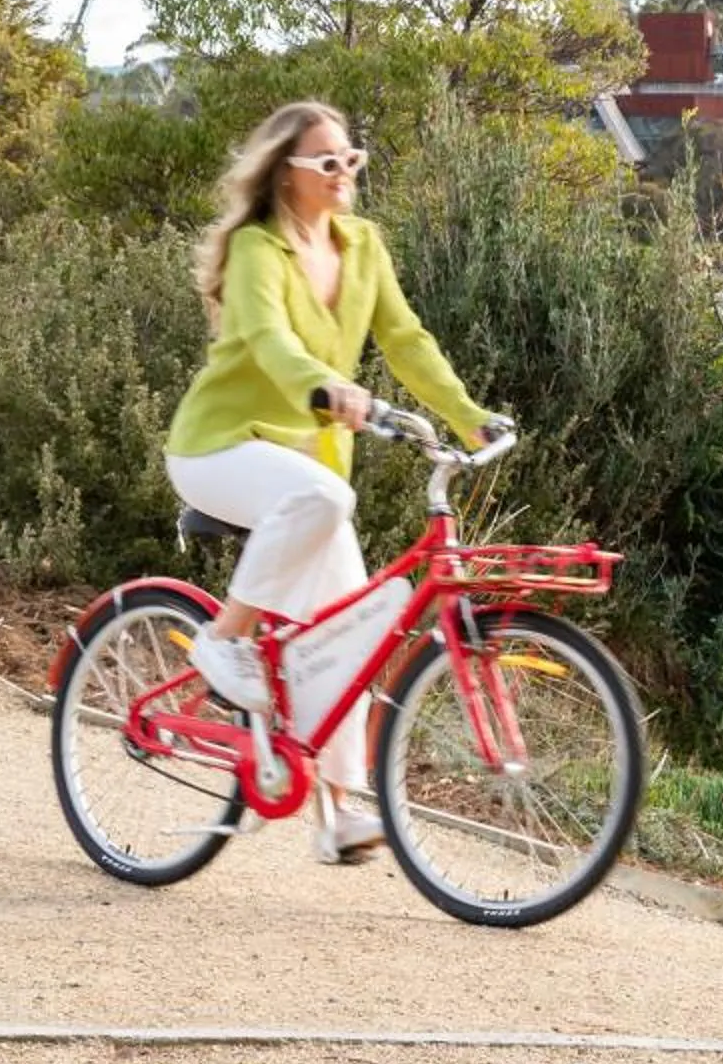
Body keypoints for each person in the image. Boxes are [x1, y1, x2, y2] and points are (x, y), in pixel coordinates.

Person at [164, 101, 500, 864]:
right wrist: (326, 387)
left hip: (307, 471)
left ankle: (337, 813)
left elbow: (406, 340)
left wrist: (468, 417)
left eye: (352, 158)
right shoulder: (257, 248)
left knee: (354, 634)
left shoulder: (363, 245)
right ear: (288, 173)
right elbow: (269, 340)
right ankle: (223, 641)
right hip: (219, 446)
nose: (344, 171)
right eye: (326, 161)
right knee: (324, 498)